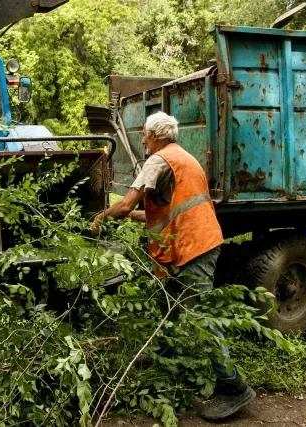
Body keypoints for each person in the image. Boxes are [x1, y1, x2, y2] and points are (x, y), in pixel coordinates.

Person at [91, 111, 255, 420]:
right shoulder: (182, 157)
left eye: (145, 135)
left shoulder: (157, 160)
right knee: (171, 305)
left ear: (155, 136)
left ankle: (234, 388)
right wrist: (126, 215)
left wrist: (101, 217)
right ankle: (160, 357)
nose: (142, 140)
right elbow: (161, 212)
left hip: (194, 246)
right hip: (198, 241)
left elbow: (127, 203)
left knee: (202, 319)